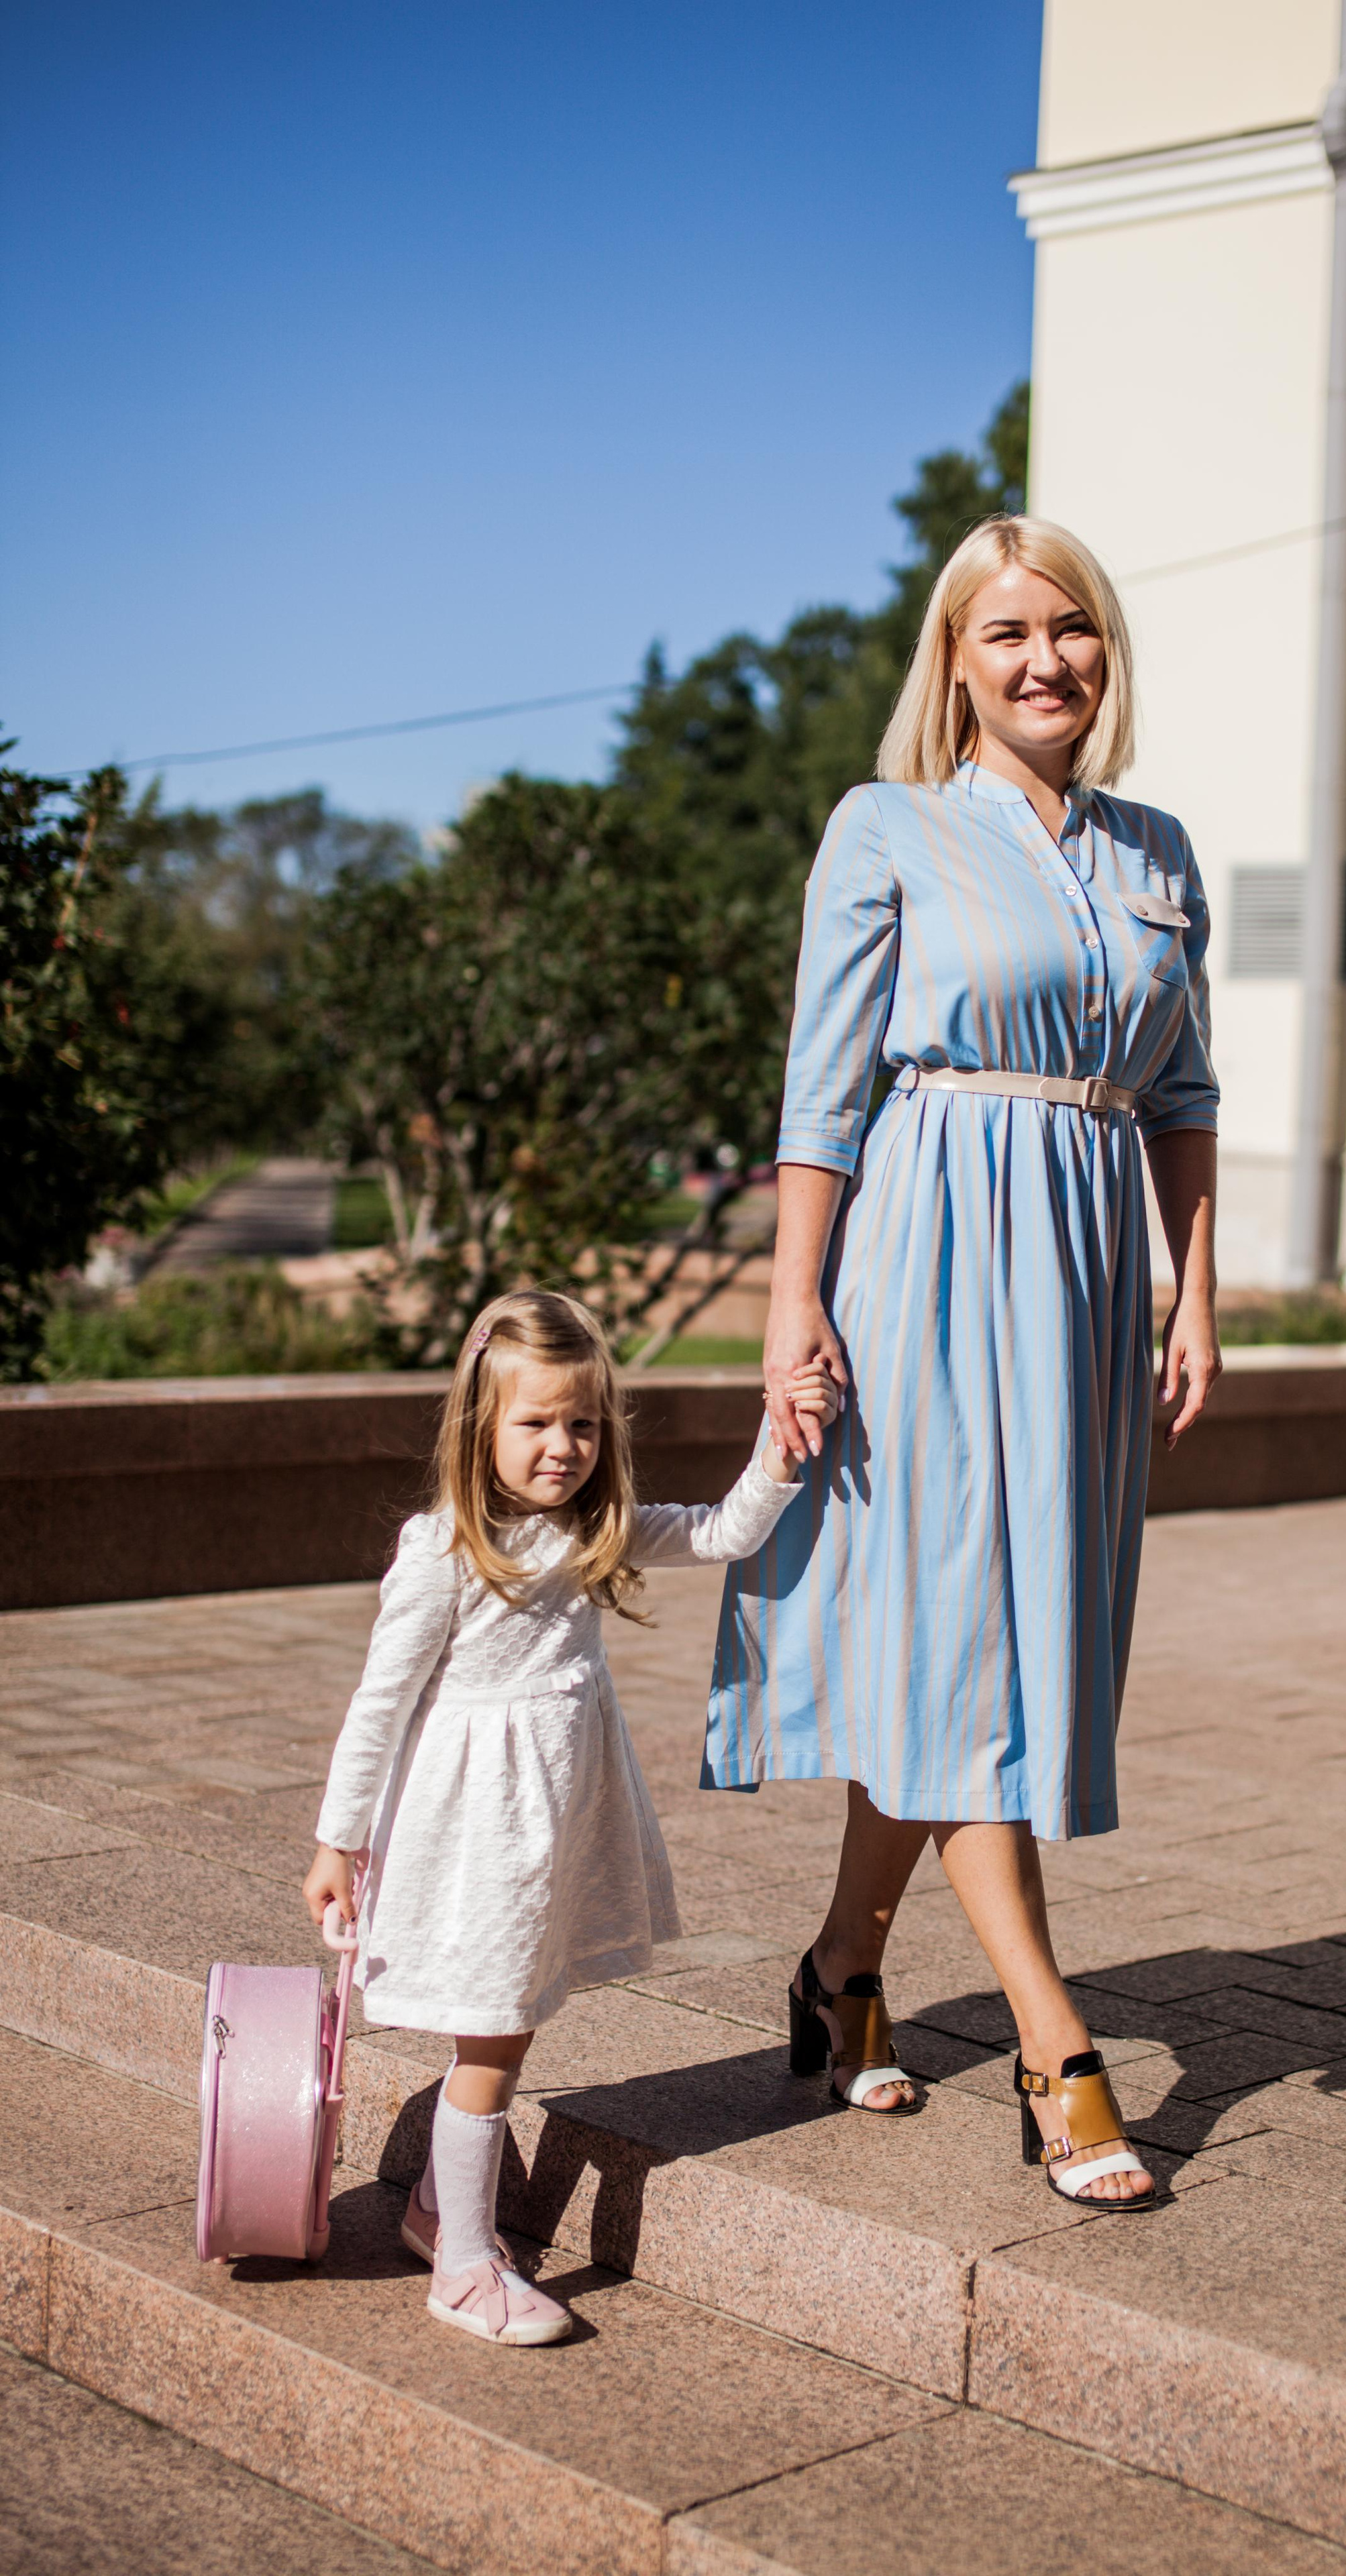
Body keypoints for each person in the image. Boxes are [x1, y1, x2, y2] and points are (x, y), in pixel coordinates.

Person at [705, 515, 1221, 2208]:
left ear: (1104, 648)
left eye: (1067, 628)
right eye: (1003, 635)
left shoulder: (1158, 852)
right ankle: (1053, 2047)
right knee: (969, 1646)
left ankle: (842, 1965)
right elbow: (821, 1094)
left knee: (975, 1643)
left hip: (1077, 1278)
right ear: (955, 665)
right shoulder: (889, 828)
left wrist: (1192, 1293)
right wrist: (794, 1309)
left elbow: (1184, 1101)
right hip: (924, 1257)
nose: (1043, 660)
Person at [303, 1287, 836, 2344]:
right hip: (480, 1831)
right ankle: (461, 2266)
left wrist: (781, 1443)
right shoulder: (446, 1548)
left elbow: (726, 1531)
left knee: (516, 2015)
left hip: (552, 1822)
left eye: (584, 1423)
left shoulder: (594, 1530)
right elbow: (380, 1703)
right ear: (481, 1428)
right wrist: (337, 1837)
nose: (565, 1446)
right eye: (537, 1423)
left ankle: (431, 2212)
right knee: (495, 2036)